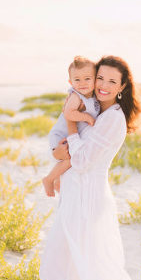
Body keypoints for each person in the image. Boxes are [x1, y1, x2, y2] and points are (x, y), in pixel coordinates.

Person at [39, 55, 141, 280]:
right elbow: (64, 147)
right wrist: (57, 149)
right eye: (100, 78)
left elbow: (84, 159)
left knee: (54, 271)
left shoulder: (113, 118)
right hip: (77, 198)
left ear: (122, 87)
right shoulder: (95, 108)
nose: (102, 85)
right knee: (80, 270)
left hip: (87, 202)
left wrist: (71, 123)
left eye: (111, 81)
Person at [42, 56, 101, 197]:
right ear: (70, 82)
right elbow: (68, 112)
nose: (82, 83)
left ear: (95, 79)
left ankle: (57, 180)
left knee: (67, 160)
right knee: (69, 159)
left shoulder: (92, 97)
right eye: (77, 80)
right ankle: (49, 179)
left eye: (87, 78)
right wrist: (85, 117)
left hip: (68, 136)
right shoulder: (76, 96)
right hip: (60, 135)